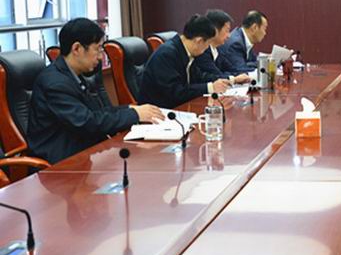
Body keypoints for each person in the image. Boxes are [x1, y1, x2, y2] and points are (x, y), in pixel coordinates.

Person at [27, 18, 163, 163]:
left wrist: (131, 109)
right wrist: (134, 115)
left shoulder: (72, 75)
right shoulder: (55, 83)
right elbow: (87, 122)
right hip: (60, 163)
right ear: (77, 49)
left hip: (83, 152)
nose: (100, 57)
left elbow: (96, 113)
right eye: (97, 49)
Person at [138, 14, 231, 109]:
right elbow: (176, 92)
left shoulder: (185, 50)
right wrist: (210, 87)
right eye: (208, 44)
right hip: (159, 110)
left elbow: (199, 76)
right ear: (199, 41)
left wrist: (220, 81)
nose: (207, 48)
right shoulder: (167, 54)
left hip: (179, 106)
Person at [195, 9, 251, 83]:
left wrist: (240, 75)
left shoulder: (218, 49)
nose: (229, 36)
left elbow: (233, 69)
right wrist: (234, 79)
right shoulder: (202, 51)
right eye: (227, 30)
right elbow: (216, 75)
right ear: (215, 30)